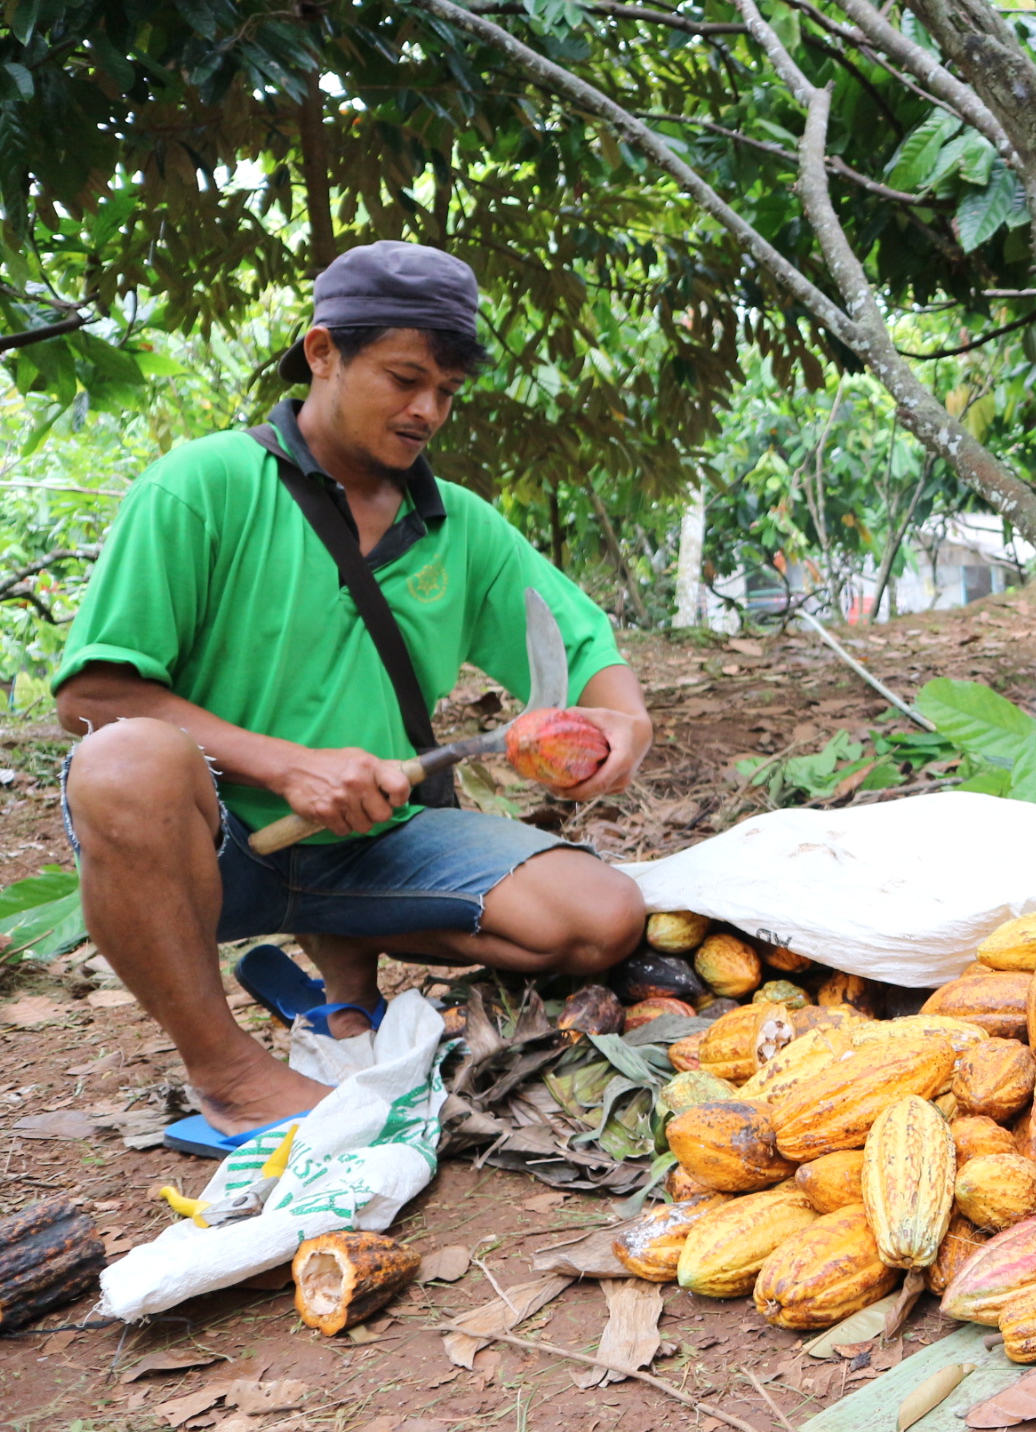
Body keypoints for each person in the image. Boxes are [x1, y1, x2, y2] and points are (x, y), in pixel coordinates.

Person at [53, 241, 653, 1160]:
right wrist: (286, 766)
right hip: (220, 847)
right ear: (323, 351)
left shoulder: (459, 525)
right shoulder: (203, 486)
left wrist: (620, 724)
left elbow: (582, 645)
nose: (427, 411)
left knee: (599, 919)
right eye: (406, 378)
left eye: (447, 392)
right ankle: (228, 1075)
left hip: (372, 845)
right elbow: (94, 695)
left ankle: (341, 978)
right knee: (124, 760)